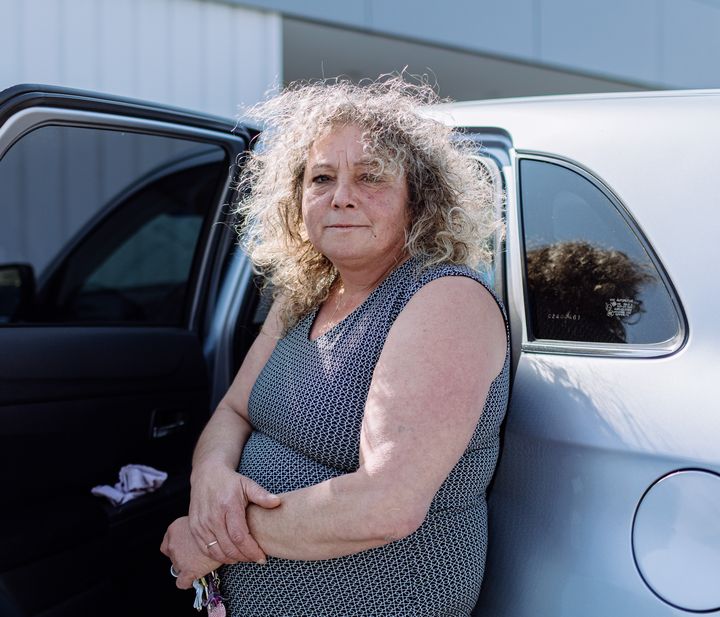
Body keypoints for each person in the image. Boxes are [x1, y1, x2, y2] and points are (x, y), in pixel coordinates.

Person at [161, 76, 510, 616]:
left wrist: (213, 538)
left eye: (369, 177)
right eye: (321, 177)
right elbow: (233, 410)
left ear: (418, 200)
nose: (341, 196)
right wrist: (209, 482)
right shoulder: (303, 293)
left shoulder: (446, 300)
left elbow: (385, 504)